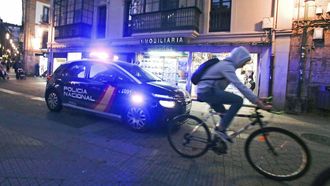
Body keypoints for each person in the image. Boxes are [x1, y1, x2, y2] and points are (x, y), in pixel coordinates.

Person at [196, 46, 272, 142]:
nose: (244, 64)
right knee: (238, 100)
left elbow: (240, 87)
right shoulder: (226, 66)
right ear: (239, 58)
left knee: (225, 116)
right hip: (207, 92)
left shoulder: (227, 65)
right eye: (244, 61)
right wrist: (257, 101)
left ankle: (217, 140)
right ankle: (220, 130)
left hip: (208, 91)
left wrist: (257, 98)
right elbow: (240, 86)